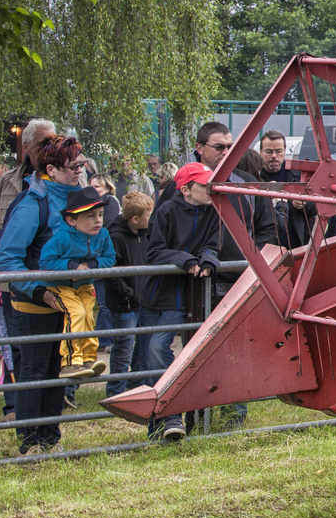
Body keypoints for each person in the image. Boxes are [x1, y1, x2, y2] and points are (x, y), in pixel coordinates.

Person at [0, 134, 84, 454]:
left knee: (55, 368)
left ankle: (50, 438)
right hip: (33, 301)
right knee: (34, 368)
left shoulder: (75, 198)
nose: (79, 171)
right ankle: (29, 441)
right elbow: (7, 258)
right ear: (52, 169)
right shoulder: (33, 202)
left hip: (65, 299)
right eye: (73, 166)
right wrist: (40, 290)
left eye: (81, 165)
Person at [0, 118, 56, 422]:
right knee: (16, 350)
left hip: (49, 281)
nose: (50, 149)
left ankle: (46, 413)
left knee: (47, 354)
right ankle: (15, 407)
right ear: (26, 147)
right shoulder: (7, 182)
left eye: (54, 141)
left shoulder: (62, 178)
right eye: (43, 144)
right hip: (12, 282)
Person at [139, 162, 222, 441]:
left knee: (173, 350)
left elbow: (213, 243)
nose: (210, 189)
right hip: (160, 294)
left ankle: (177, 418)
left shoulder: (213, 211)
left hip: (189, 296)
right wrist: (185, 261)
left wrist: (209, 260)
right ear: (186, 189)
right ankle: (165, 420)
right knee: (154, 350)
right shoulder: (166, 211)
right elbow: (154, 250)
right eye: (204, 185)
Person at [41, 186, 115, 378]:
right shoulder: (61, 238)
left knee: (89, 316)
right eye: (91, 216)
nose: (98, 220)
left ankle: (88, 358)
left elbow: (110, 258)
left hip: (84, 284)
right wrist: (72, 266)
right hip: (61, 285)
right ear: (71, 220)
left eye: (100, 214)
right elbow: (45, 262)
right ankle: (71, 361)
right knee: (76, 313)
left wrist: (91, 264)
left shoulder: (103, 235)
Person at [103, 192, 152, 398]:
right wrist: (128, 293)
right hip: (124, 303)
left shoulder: (146, 233)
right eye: (148, 215)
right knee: (124, 346)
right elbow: (112, 270)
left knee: (142, 345)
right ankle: (116, 390)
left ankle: (136, 384)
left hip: (143, 299)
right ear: (135, 219)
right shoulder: (115, 237)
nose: (150, 219)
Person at [252, 130, 313, 249]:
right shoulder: (254, 178)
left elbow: (317, 207)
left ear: (285, 151)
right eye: (269, 152)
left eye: (278, 151)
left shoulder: (299, 176)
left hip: (297, 245)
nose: (274, 156)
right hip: (266, 247)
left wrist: (305, 204)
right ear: (260, 152)